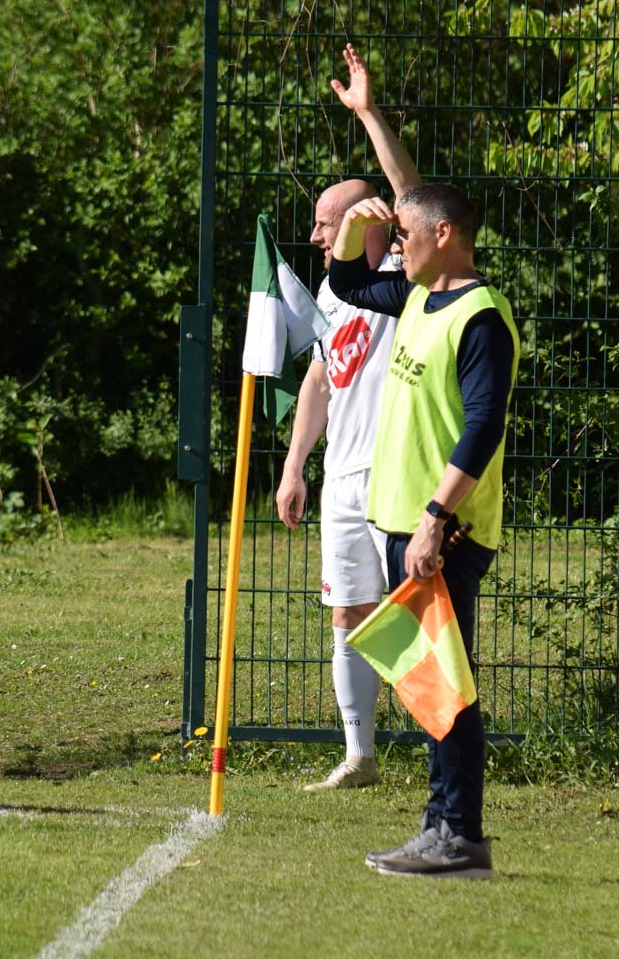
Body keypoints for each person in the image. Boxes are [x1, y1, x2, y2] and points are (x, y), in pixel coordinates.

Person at [328, 138, 519, 877]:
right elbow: (347, 282)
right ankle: (440, 824)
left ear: (444, 234)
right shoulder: (417, 296)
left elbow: (483, 426)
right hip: (406, 524)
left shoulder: (479, 316)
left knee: (447, 685)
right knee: (429, 682)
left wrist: (437, 517)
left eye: (405, 234)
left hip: (443, 529)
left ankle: (460, 837)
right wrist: (354, 228)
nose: (396, 246)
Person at [275, 44, 422, 792]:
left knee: (417, 613)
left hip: (401, 477)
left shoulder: (406, 271)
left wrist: (367, 115)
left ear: (365, 222)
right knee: (349, 616)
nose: (314, 235)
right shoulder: (336, 291)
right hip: (342, 477)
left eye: (324, 222)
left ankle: (449, 743)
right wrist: (295, 464)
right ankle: (359, 755)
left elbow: (411, 192)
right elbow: (320, 378)